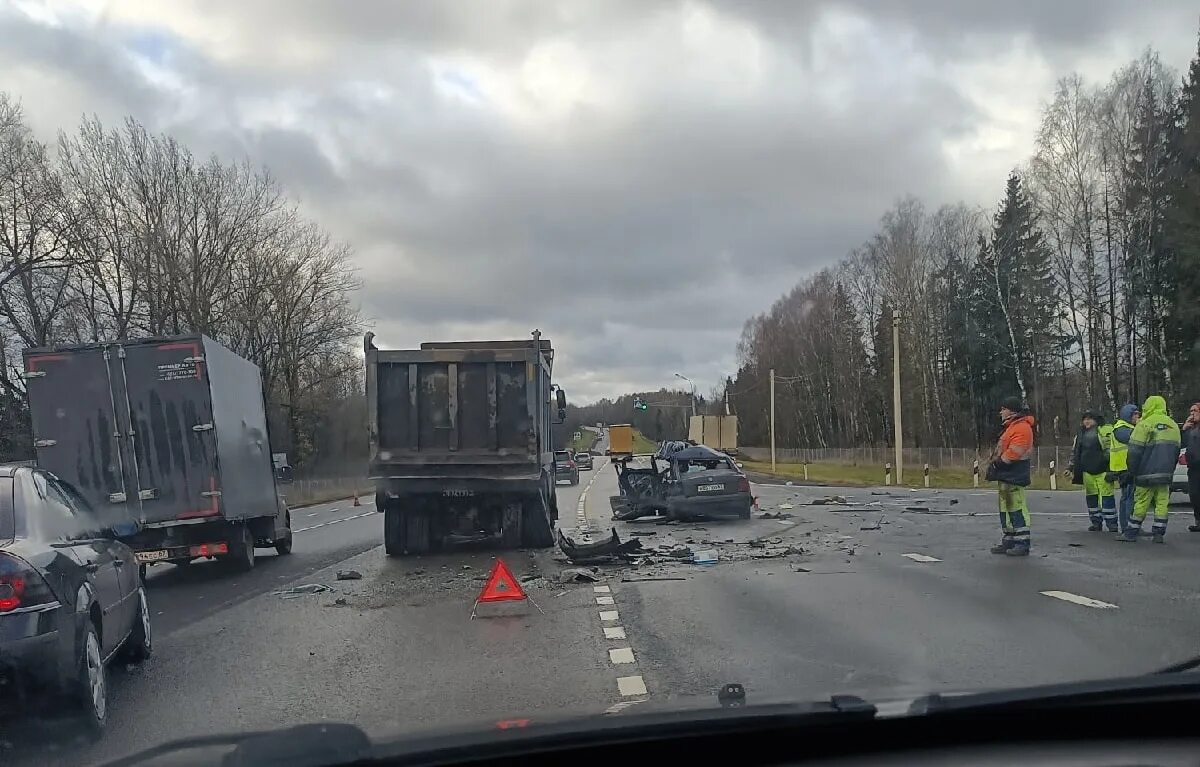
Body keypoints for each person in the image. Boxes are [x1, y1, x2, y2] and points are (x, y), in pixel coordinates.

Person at [1119, 394, 1181, 544]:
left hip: (1145, 472)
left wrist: (1132, 471)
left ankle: (1131, 532)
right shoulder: (1173, 425)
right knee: (1162, 502)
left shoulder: (1144, 424)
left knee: (1141, 501)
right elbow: (1176, 451)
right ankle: (1158, 533)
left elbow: (1134, 451)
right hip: (1165, 473)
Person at [987, 396, 1035, 556]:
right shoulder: (1011, 427)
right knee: (1006, 508)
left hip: (1014, 472)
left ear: (1011, 411)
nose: (1001, 412)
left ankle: (1022, 542)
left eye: (1004, 408)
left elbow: (1015, 451)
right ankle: (1009, 539)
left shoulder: (1021, 427)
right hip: (1007, 473)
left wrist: (999, 462)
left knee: (1016, 508)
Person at [1070, 409, 1115, 532]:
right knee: (1091, 499)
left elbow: (1109, 451)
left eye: (1090, 418)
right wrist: (1071, 467)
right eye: (1085, 419)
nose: (1087, 421)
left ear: (1096, 420)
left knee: (1107, 498)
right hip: (1087, 471)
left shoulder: (1104, 431)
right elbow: (1075, 452)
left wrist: (1111, 469)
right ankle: (1096, 522)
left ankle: (1112, 524)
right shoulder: (1080, 434)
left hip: (1103, 470)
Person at [1107, 403, 1139, 534]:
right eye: (1135, 414)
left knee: (1129, 497)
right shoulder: (1121, 428)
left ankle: (1129, 526)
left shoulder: (1127, 427)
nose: (1137, 417)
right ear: (1128, 415)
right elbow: (1134, 438)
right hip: (1124, 468)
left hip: (1128, 467)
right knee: (1128, 498)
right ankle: (1127, 527)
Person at [1182, 402, 1200, 532]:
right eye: (1191, 411)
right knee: (1194, 495)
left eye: (1195, 410)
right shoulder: (1191, 429)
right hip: (1193, 467)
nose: (1192, 413)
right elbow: (1183, 444)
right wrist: (1184, 429)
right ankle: (1198, 521)